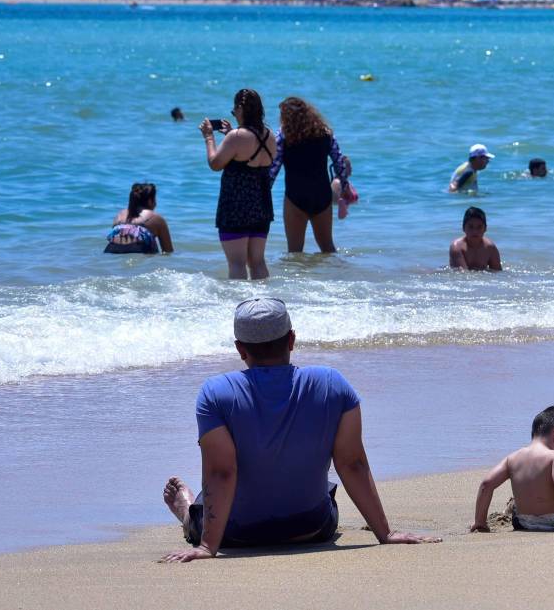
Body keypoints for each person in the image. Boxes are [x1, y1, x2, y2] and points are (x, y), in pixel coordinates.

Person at [159, 298, 440, 563]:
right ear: (292, 340)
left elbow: (222, 473)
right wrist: (385, 534)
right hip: (313, 528)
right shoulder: (333, 384)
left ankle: (187, 513)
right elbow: (351, 463)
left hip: (235, 536)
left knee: (203, 504)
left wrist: (207, 547)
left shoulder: (215, 393)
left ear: (240, 349)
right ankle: (193, 510)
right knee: (323, 488)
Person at [201, 88, 277, 279]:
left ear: (241, 109)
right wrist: (230, 133)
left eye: (234, 110)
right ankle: (265, 298)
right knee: (258, 262)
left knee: (237, 263)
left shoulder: (236, 137)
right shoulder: (270, 136)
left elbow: (215, 164)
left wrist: (209, 138)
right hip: (261, 207)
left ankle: (239, 298)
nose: (234, 114)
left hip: (236, 207)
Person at [267, 97, 352, 254]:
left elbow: (273, 169)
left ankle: (300, 273)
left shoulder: (283, 137)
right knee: (328, 248)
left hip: (296, 197)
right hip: (322, 196)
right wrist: (345, 186)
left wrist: (263, 192)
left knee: (294, 252)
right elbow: (339, 162)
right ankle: (336, 270)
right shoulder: (326, 133)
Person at [105, 182, 173, 254]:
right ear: (150, 201)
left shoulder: (120, 215)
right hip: (138, 250)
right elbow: (167, 251)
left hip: (111, 250)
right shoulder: (157, 218)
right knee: (149, 240)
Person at [449, 206, 501, 271]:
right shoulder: (457, 247)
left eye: (479, 227)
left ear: (485, 228)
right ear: (463, 228)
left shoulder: (490, 248)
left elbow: (498, 272)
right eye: (470, 227)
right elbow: (463, 274)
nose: (475, 231)